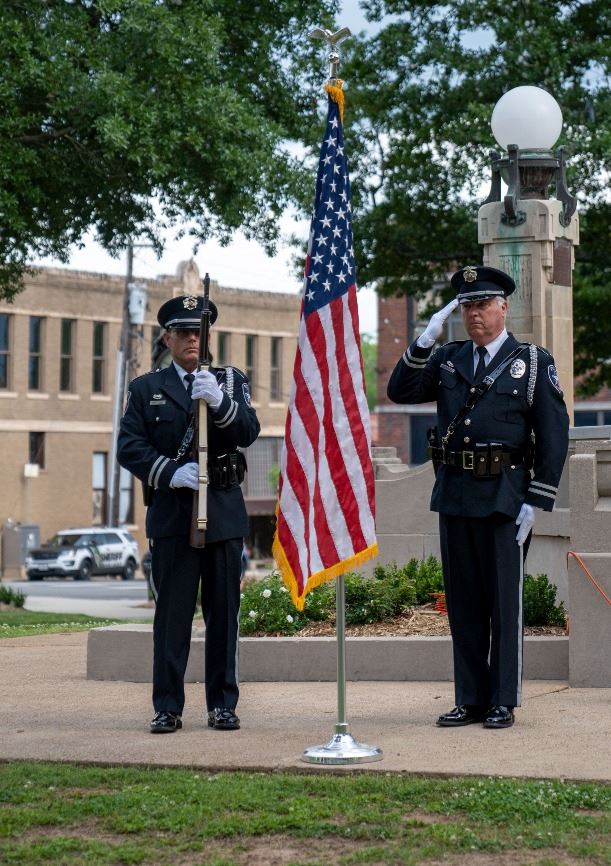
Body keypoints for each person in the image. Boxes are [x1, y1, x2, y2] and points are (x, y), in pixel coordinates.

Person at [387, 265, 569, 729]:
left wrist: (538, 498)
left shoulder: (532, 362)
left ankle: (502, 700)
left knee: (503, 602)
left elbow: (554, 435)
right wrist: (423, 341)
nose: (475, 314)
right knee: (463, 601)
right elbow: (400, 391)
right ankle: (469, 698)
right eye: (467, 306)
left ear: (503, 307)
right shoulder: (448, 359)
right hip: (456, 493)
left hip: (507, 496)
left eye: (483, 304)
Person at [117, 294, 260, 734]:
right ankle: (167, 707)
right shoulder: (146, 388)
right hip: (173, 514)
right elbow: (129, 447)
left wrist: (219, 402)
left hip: (221, 512)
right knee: (172, 619)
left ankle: (222, 704)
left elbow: (248, 432)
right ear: (168, 337)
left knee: (224, 618)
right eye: (182, 332)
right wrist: (169, 472)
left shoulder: (229, 382)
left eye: (198, 331)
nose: (191, 339)